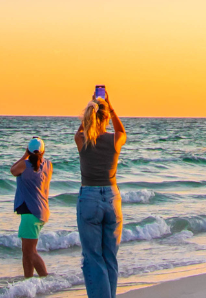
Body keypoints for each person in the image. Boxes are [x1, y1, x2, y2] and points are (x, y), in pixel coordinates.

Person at [76, 92, 126, 298]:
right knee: (110, 257)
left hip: (89, 197)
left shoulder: (82, 139)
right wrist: (111, 107)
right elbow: (122, 130)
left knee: (93, 257)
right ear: (107, 118)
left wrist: (92, 104)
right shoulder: (115, 139)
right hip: (112, 199)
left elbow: (80, 130)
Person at [10, 136, 52, 279]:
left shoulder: (25, 165)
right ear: (43, 152)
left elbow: (13, 170)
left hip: (30, 213)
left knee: (30, 252)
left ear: (29, 150)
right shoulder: (48, 165)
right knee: (26, 251)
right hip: (42, 212)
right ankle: (28, 281)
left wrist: (25, 154)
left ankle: (46, 279)